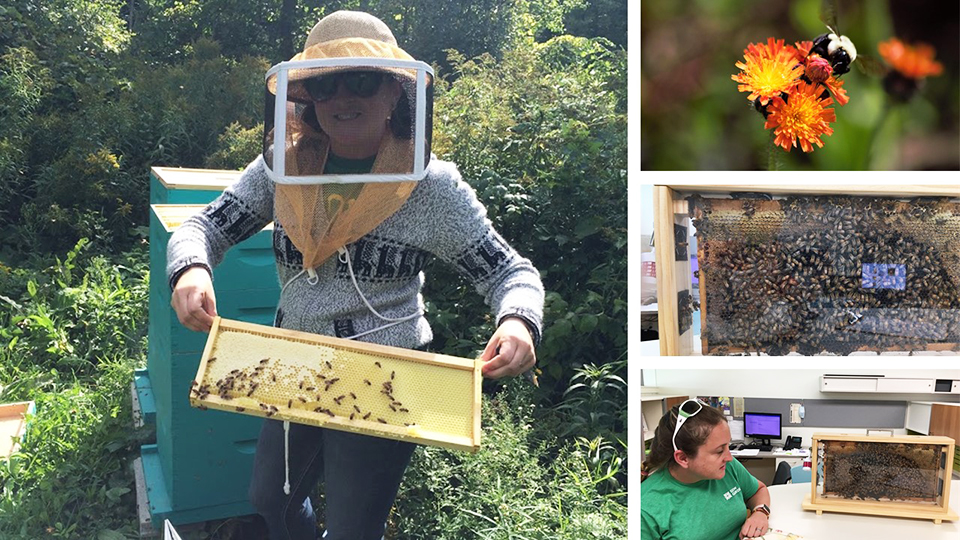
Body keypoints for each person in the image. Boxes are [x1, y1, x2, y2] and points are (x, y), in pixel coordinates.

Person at [166, 10, 544, 540]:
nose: (344, 99)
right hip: (292, 361)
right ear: (307, 100)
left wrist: (519, 322)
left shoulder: (432, 186)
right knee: (267, 502)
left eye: (363, 80)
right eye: (325, 85)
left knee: (352, 527)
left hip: (383, 374)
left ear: (395, 92)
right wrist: (190, 268)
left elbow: (510, 272)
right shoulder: (283, 167)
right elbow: (203, 226)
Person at [640, 400, 771, 540]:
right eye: (719, 451)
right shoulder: (645, 508)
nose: (729, 457)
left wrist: (760, 512)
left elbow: (758, 490)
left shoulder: (727, 467)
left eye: (728, 445)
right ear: (683, 458)